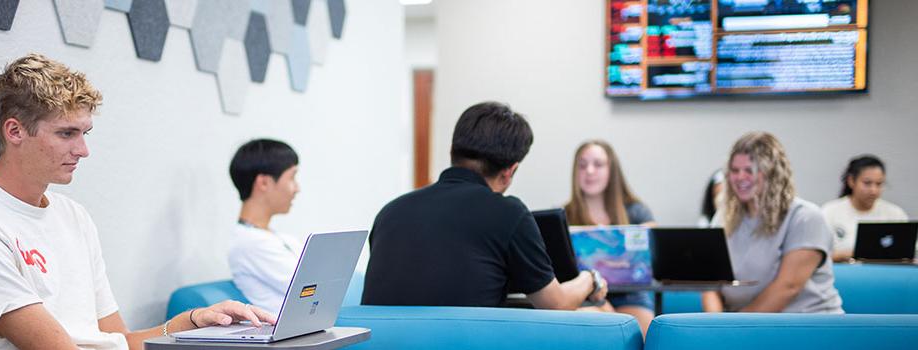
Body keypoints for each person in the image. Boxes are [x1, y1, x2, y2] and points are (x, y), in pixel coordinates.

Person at [0, 53, 275, 350]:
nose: (83, 150)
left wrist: (194, 322)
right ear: (15, 131)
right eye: (66, 134)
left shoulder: (73, 216)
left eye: (84, 133)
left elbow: (117, 340)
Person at [363, 101, 607, 310]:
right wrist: (590, 279)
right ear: (510, 172)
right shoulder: (508, 213)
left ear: (452, 151)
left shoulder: (390, 212)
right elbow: (556, 305)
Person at [701, 132, 843, 313]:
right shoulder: (723, 217)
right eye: (734, 171)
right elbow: (710, 283)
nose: (740, 178)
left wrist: (732, 329)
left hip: (803, 325)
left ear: (772, 173)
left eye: (749, 170)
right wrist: (714, 326)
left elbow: (787, 288)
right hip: (740, 326)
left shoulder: (805, 217)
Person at [562, 140, 655, 334]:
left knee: (641, 334)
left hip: (632, 296)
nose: (589, 171)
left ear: (612, 170)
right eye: (582, 165)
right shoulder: (563, 215)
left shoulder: (637, 212)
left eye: (598, 164)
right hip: (583, 297)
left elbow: (655, 259)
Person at [226, 139, 303, 313]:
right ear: (264, 182)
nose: (297, 188)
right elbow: (313, 290)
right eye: (292, 177)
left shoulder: (278, 238)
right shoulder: (249, 243)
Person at [821, 155, 909, 262]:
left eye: (879, 184)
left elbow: (908, 254)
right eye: (867, 183)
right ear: (851, 181)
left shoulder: (895, 213)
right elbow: (816, 256)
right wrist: (851, 254)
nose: (873, 190)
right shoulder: (829, 212)